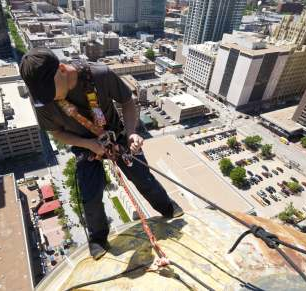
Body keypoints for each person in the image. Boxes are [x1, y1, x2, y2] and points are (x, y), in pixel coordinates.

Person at [20, 48, 183, 260]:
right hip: (84, 144)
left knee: (143, 177)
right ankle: (97, 238)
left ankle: (168, 208)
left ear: (61, 69)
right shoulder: (43, 100)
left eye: (50, 91)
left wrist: (132, 133)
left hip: (117, 135)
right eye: (43, 95)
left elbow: (127, 102)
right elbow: (56, 132)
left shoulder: (99, 75)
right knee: (90, 194)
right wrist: (87, 144)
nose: (49, 98)